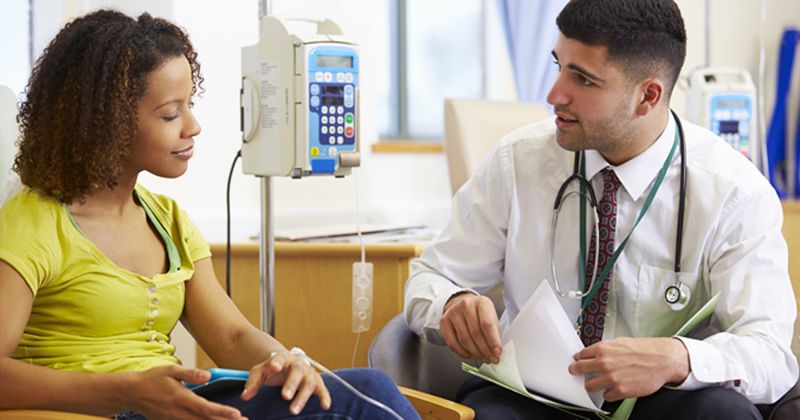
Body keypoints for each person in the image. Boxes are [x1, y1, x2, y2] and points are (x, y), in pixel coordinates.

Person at [0, 10, 418, 420]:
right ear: (105, 123)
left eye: (189, 105)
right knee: (363, 402)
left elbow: (233, 337)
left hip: (180, 402)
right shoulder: (33, 223)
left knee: (365, 391)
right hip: (98, 411)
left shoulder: (168, 221)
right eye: (170, 113)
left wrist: (284, 361)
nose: (193, 126)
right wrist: (129, 391)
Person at [404, 0, 798, 419]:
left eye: (584, 80)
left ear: (648, 96)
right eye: (559, 66)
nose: (554, 94)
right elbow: (430, 277)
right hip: (530, 394)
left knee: (724, 414)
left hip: (660, 397)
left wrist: (677, 358)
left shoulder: (733, 192)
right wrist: (452, 302)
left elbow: (771, 352)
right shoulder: (517, 162)